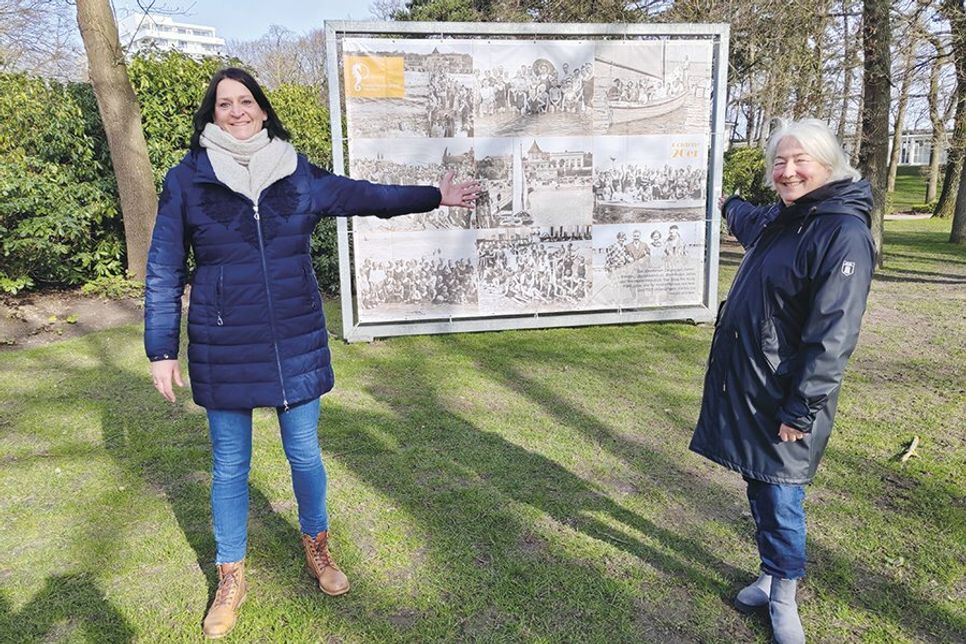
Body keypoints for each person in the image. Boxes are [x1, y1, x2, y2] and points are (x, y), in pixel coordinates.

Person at [143, 67, 478, 639]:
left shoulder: (296, 172)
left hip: (295, 340)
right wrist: (160, 349)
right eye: (224, 104)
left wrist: (434, 196)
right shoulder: (187, 180)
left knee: (304, 454)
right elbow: (164, 266)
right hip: (224, 343)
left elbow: (365, 195)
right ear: (211, 114)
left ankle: (317, 546)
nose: (237, 111)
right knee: (229, 466)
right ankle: (230, 574)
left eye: (245, 101)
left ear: (263, 109)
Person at [689, 119, 875, 644]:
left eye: (800, 161)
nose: (787, 171)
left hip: (785, 396)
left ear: (828, 165)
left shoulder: (842, 232)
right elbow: (750, 221)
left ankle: (785, 595)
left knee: (780, 495)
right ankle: (771, 574)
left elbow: (832, 336)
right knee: (760, 483)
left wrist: (801, 410)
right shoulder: (788, 218)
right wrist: (726, 202)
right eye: (779, 161)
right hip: (754, 384)